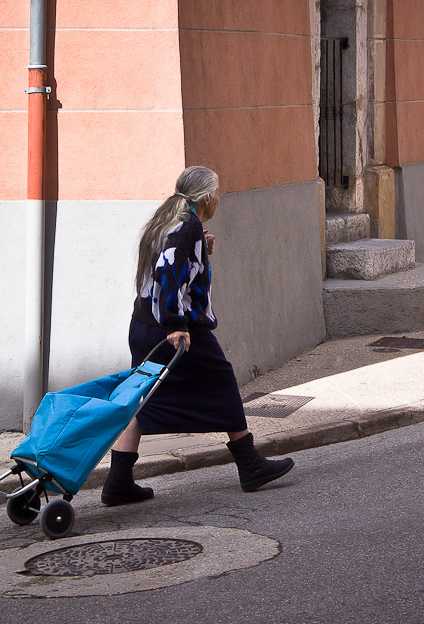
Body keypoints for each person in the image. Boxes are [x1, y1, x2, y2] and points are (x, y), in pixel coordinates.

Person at [101, 166, 295, 506]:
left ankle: (118, 482)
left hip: (144, 326)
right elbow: (167, 274)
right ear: (206, 197)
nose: (218, 200)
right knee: (222, 380)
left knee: (143, 397)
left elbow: (170, 264)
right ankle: (250, 465)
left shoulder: (169, 218)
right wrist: (177, 325)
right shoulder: (187, 224)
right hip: (174, 329)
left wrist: (200, 249)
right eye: (217, 193)